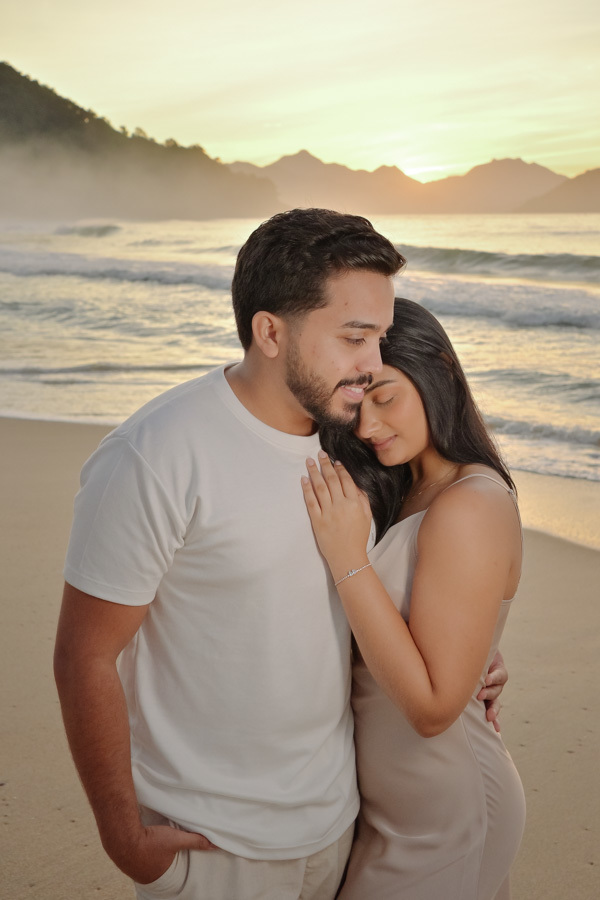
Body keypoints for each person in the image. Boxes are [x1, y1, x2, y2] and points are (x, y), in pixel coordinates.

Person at [54, 211, 507, 900]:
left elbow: (398, 590)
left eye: (380, 338)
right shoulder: (156, 455)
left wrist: (476, 653)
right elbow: (84, 656)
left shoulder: (353, 445)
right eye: (354, 337)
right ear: (270, 332)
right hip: (215, 844)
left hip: (341, 828)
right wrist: (126, 838)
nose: (374, 362)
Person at [302, 298, 526, 900]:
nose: (368, 427)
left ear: (439, 375)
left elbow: (432, 709)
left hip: (444, 813)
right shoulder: (406, 487)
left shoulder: (471, 503)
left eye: (387, 396)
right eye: (358, 403)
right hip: (387, 810)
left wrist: (348, 560)